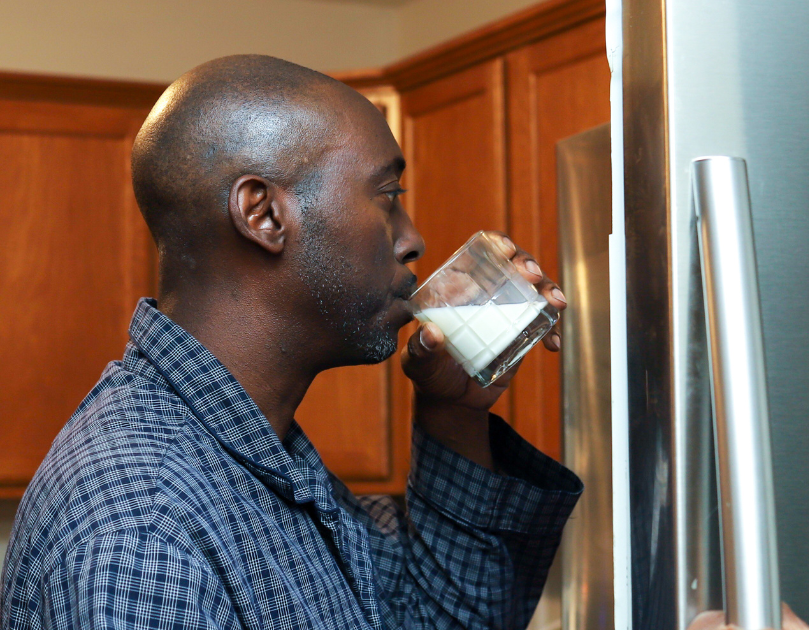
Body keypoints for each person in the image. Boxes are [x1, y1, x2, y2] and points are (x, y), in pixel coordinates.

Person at [0, 55, 579, 630]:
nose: (412, 239)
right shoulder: (142, 534)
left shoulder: (264, 462)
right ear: (264, 215)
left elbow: (438, 621)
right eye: (387, 195)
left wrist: (450, 414)